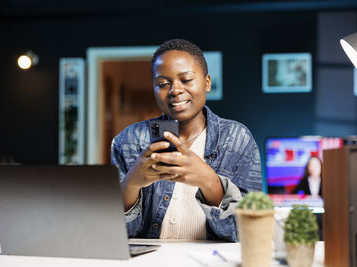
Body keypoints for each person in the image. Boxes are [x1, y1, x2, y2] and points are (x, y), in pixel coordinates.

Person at [111, 39, 262, 242]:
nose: (175, 90)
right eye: (163, 84)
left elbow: (250, 232)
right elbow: (115, 234)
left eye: (186, 79)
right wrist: (132, 184)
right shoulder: (128, 141)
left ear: (207, 82)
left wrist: (210, 182)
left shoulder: (237, 140)